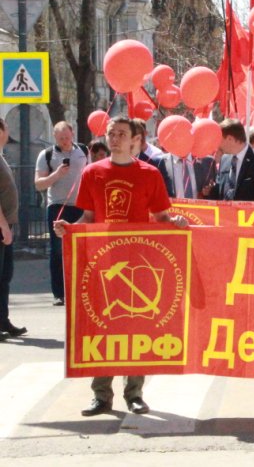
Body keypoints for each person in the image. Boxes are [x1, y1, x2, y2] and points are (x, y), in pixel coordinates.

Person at [53, 116, 188, 416]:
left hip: (140, 262)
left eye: (121, 134)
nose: (114, 139)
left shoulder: (150, 174)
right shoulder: (92, 172)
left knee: (136, 324)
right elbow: (87, 220)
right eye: (111, 133)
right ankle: (101, 395)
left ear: (135, 140)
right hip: (104, 262)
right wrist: (68, 229)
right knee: (102, 326)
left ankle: (134, 392)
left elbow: (162, 218)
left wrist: (176, 222)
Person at [35, 121, 89, 306]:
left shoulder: (83, 150)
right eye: (60, 139)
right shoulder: (47, 154)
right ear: (55, 138)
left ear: (72, 134)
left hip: (81, 205)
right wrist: (57, 174)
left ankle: (82, 288)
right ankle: (59, 292)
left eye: (66, 138)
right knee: (58, 250)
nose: (64, 142)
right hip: (58, 205)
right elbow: (39, 184)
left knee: (83, 248)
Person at [212, 119, 254, 202]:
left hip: (250, 214)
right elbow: (219, 190)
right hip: (225, 213)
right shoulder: (224, 159)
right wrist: (208, 191)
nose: (217, 144)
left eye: (219, 140)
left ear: (230, 139)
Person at [0, 118, 22, 341]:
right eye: (5, 127)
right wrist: (4, 226)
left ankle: (3, 320)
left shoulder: (1, 155)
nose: (8, 131)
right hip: (1, 225)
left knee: (5, 277)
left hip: (6, 224)